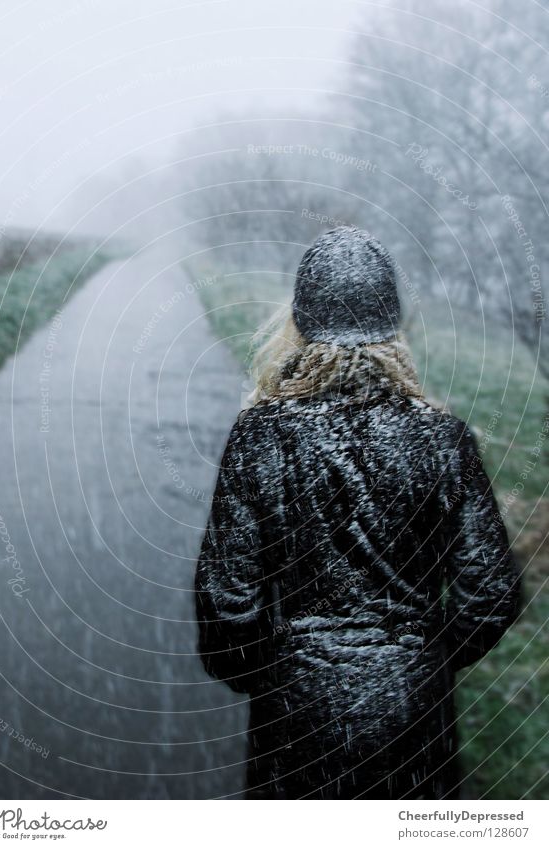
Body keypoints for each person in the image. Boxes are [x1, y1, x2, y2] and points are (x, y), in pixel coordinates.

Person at [194, 226, 521, 800]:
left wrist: (277, 674)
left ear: (298, 323)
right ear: (392, 328)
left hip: (297, 713)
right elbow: (490, 594)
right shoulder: (444, 441)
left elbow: (226, 607)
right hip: (413, 711)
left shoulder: (261, 436)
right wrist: (425, 659)